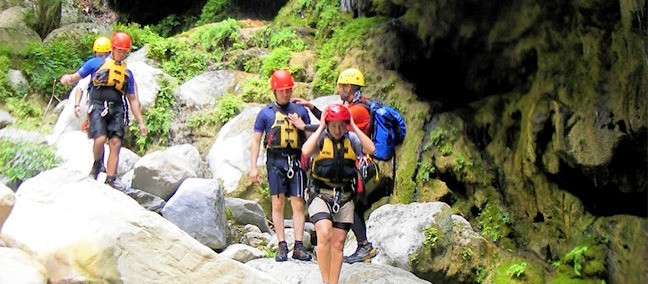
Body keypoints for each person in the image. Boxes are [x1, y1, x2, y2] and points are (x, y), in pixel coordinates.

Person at [293, 68, 389, 263]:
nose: (338, 90)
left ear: (349, 87)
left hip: (360, 165)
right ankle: (363, 246)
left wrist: (304, 127)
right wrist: (312, 107)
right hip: (355, 163)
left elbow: (335, 124)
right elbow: (331, 121)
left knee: (353, 205)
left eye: (341, 86)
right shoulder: (357, 106)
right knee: (356, 207)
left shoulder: (357, 110)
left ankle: (363, 246)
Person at [60, 31, 147, 188]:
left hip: (117, 109)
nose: (121, 54)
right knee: (99, 139)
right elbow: (77, 76)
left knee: (115, 143)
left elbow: (133, 99)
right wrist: (68, 78)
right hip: (98, 105)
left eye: (124, 51)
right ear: (112, 49)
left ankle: (110, 180)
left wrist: (141, 122)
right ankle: (96, 165)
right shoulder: (95, 63)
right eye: (119, 50)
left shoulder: (127, 73)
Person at [302, 104, 375, 284]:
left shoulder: (352, 140)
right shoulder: (321, 139)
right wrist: (320, 127)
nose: (337, 129)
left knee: (338, 241)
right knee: (324, 232)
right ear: (328, 124)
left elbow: (371, 149)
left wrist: (354, 126)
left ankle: (333, 282)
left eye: (341, 125)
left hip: (344, 195)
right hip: (320, 193)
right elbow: (305, 151)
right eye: (333, 125)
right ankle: (325, 280)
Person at [249, 69, 312, 262]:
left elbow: (310, 138)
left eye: (288, 90)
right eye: (282, 90)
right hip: (275, 160)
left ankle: (299, 246)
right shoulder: (265, 113)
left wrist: (303, 126)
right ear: (274, 91)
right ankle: (282, 245)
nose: (286, 93)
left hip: (296, 159)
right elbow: (256, 141)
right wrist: (253, 166)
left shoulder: (300, 111)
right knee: (277, 203)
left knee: (298, 203)